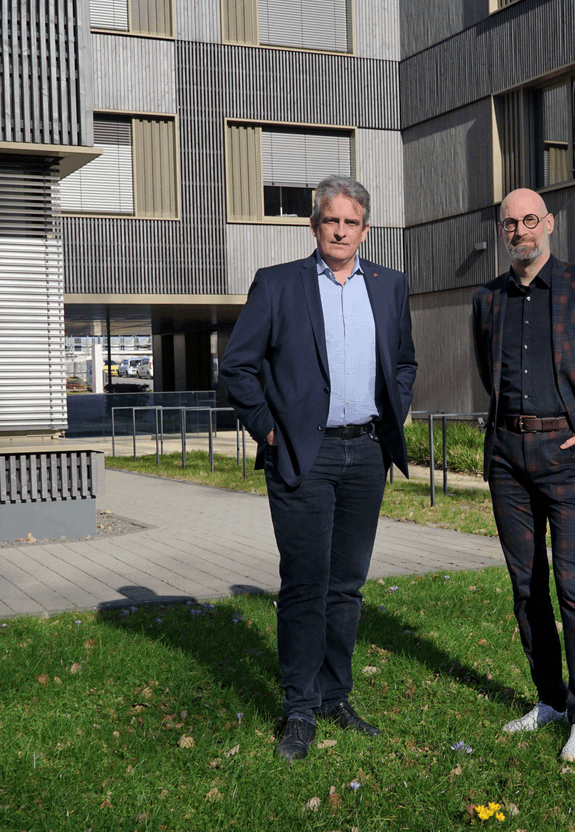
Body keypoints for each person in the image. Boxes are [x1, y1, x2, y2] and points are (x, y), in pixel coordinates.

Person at [220, 175, 416, 762]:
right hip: (304, 454)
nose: (340, 230)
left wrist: (391, 414)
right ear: (315, 225)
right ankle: (299, 709)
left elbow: (403, 362)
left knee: (347, 586)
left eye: (350, 222)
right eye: (330, 220)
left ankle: (336, 695)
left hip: (367, 453)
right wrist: (271, 430)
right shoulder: (279, 285)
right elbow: (238, 368)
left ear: (364, 228)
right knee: (306, 585)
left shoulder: (389, 285)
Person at [471, 188, 575, 764]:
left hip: (569, 455)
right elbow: (485, 367)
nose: (521, 230)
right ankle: (550, 700)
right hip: (507, 458)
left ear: (548, 224)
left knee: (574, 585)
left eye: (529, 220)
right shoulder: (487, 298)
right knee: (526, 587)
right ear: (502, 233)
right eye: (510, 223)